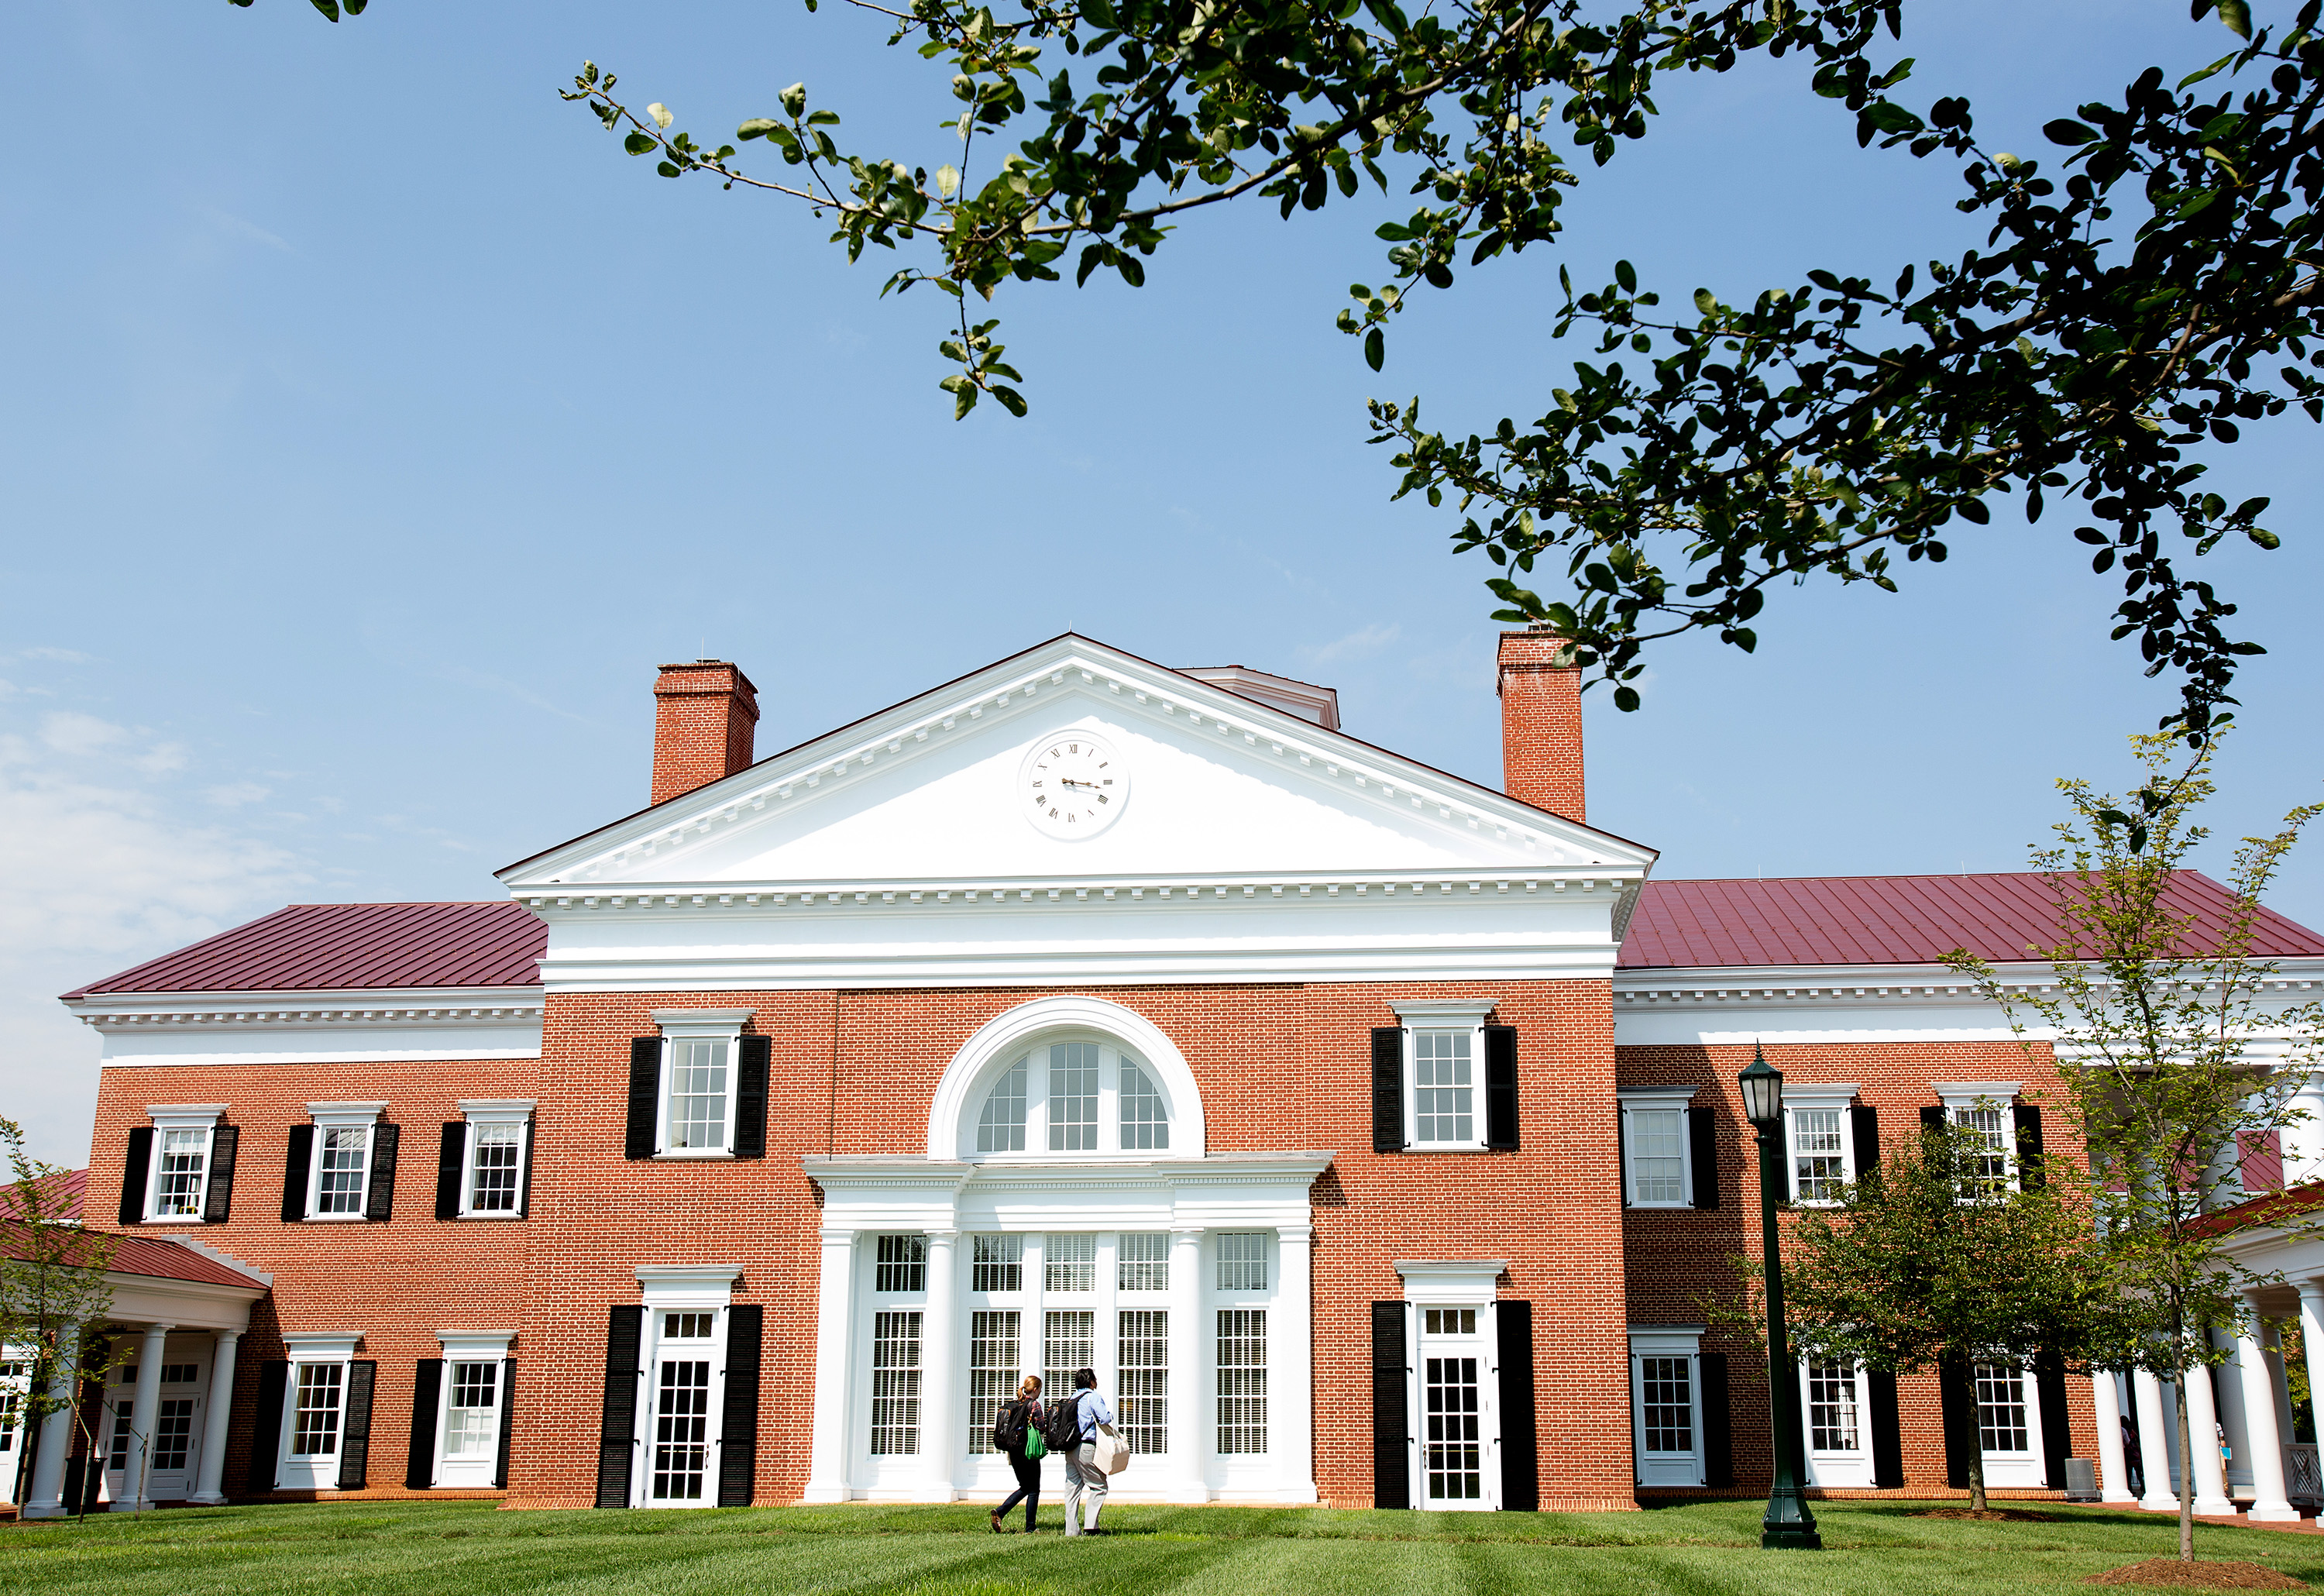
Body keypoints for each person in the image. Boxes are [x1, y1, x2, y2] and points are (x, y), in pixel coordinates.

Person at [1061, 1365, 1116, 1537]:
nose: (1097, 1382)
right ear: (1091, 1382)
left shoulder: (1072, 1398)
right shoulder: (1092, 1397)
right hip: (1085, 1446)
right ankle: (1091, 1528)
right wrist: (1110, 1415)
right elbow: (1104, 1418)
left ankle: (1071, 1531)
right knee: (1099, 1486)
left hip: (1069, 1448)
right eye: (1095, 1379)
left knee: (1072, 1488)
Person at [991, 1374, 1046, 1534]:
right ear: (1035, 1389)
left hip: (1013, 1452)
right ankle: (1030, 1527)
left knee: (1025, 1486)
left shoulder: (1014, 1405)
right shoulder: (1033, 1405)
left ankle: (1000, 1512)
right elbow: (1041, 1427)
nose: (1040, 1392)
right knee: (1034, 1489)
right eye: (1040, 1389)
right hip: (1028, 1451)